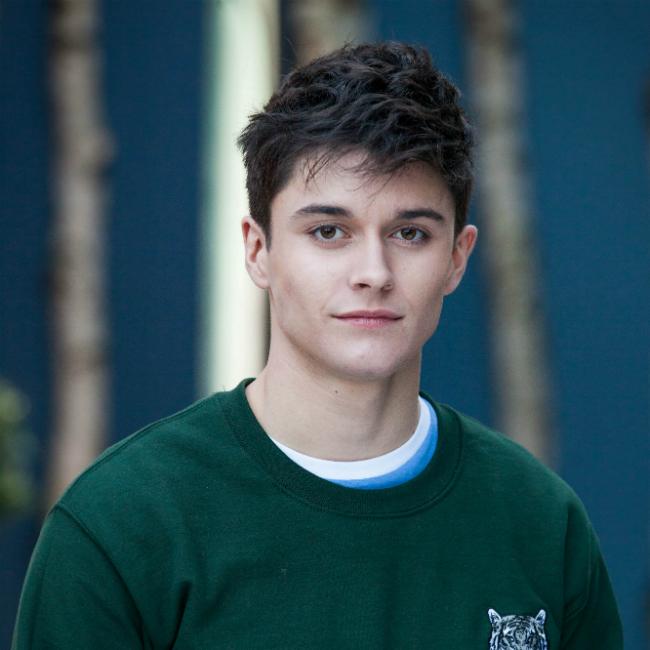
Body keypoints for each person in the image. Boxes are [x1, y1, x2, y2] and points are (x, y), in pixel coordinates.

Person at [13, 42, 622, 649]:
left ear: (457, 259)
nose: (373, 273)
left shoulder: (542, 522)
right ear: (258, 250)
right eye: (329, 231)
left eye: (410, 233)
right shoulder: (122, 524)